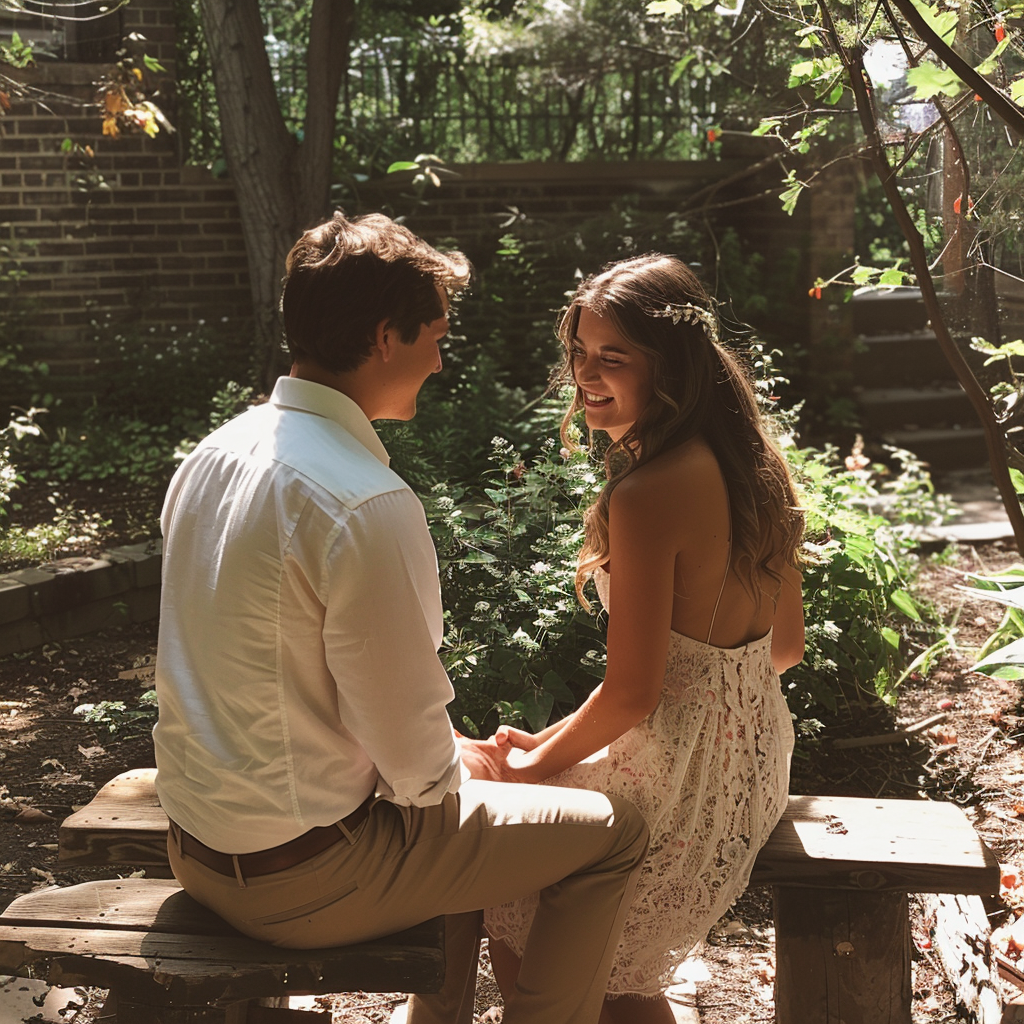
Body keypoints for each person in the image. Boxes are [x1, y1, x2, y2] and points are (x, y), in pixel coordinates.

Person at [152, 211, 650, 1024]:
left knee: (459, 817)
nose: (442, 360)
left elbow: (288, 690)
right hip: (299, 882)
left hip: (198, 853)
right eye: (436, 336)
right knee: (612, 829)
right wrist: (466, 764)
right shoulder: (363, 502)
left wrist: (446, 762)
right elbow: (418, 777)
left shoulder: (214, 455)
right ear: (387, 337)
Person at [482, 254, 805, 1024]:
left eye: (612, 357)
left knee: (516, 912)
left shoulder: (647, 493)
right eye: (580, 353)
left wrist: (535, 765)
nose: (585, 374)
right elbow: (783, 649)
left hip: (678, 780)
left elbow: (634, 691)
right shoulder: (757, 468)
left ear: (671, 366)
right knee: (615, 979)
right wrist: (549, 742)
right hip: (748, 764)